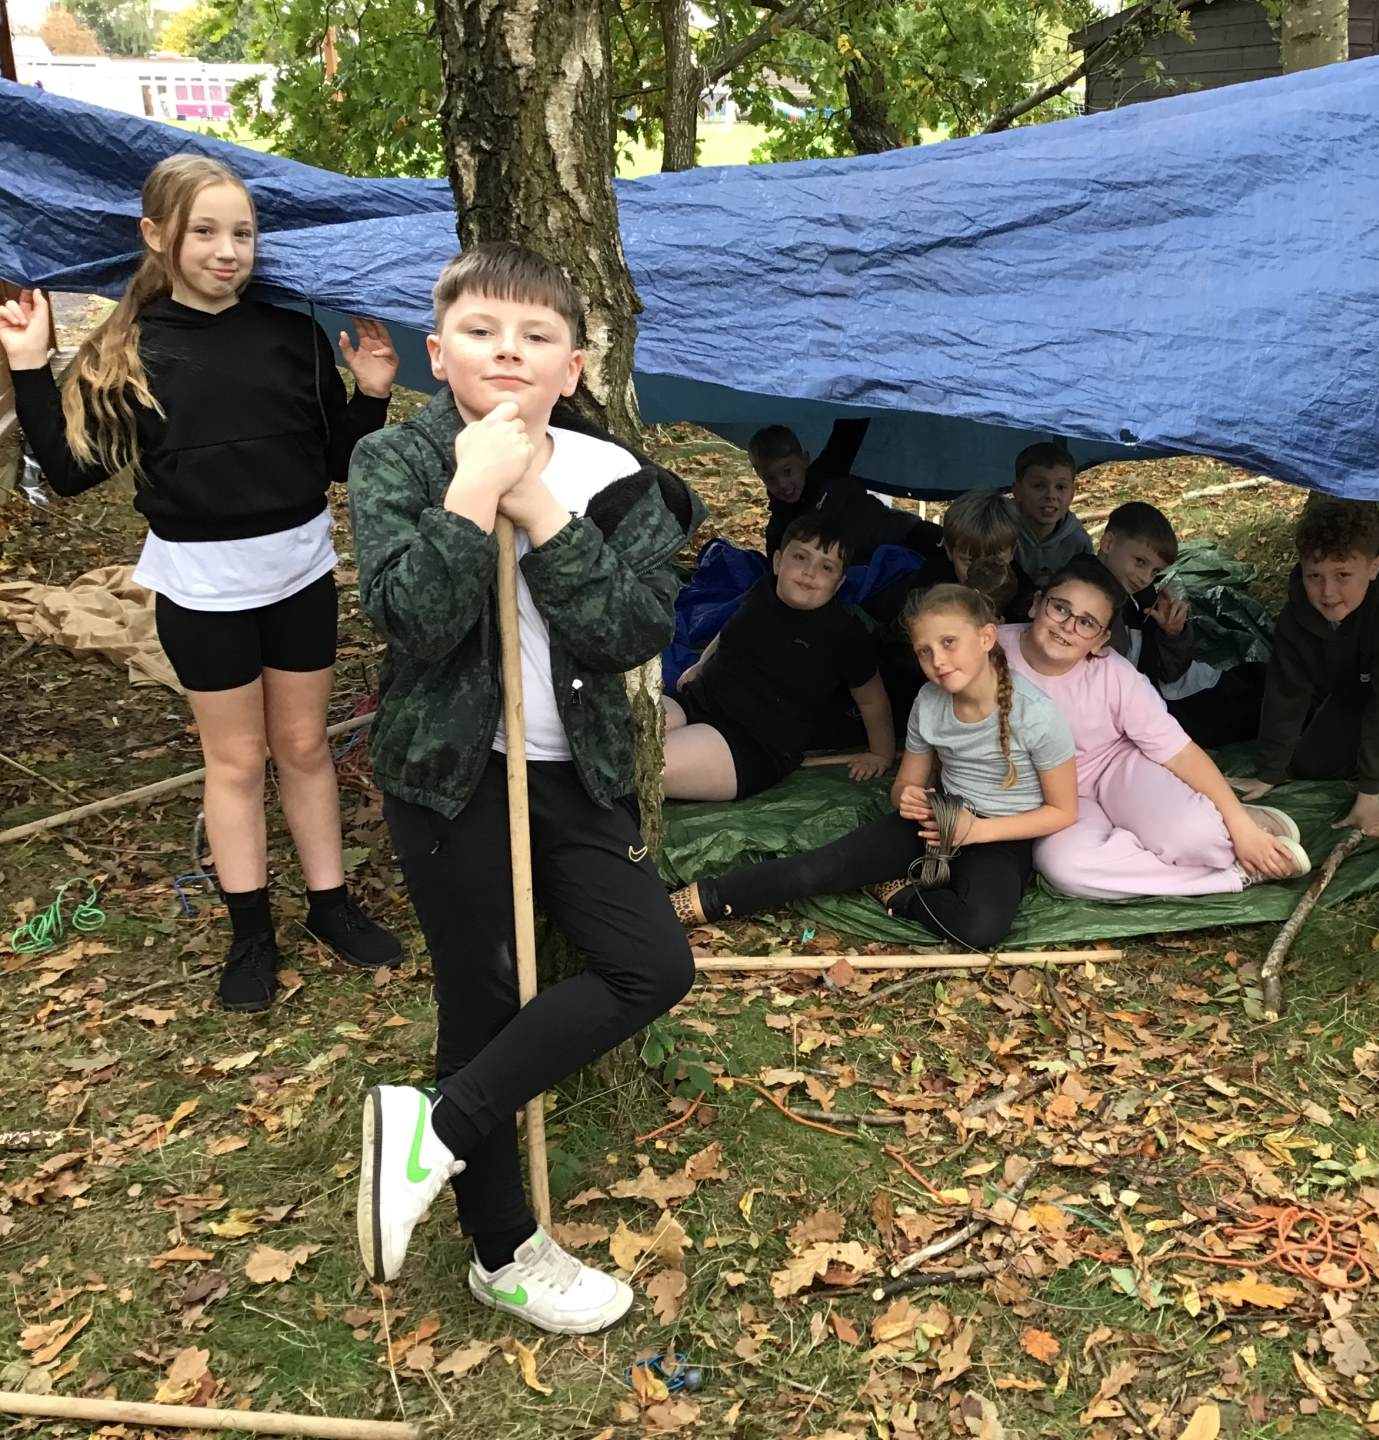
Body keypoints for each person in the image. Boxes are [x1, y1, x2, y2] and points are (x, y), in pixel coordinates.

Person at [348, 242, 699, 1334]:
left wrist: (538, 506)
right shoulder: (395, 462)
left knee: (651, 965)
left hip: (577, 773)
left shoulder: (619, 478)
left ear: (574, 366)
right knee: (483, 998)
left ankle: (434, 1131)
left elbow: (633, 628)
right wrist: (469, 493)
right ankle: (503, 1251)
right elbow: (413, 621)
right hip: (450, 779)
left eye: (537, 335)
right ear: (437, 352)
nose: (508, 350)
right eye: (482, 330)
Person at [0, 154, 401, 1012]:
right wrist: (31, 368)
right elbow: (67, 474)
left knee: (304, 747)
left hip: (300, 573)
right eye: (205, 232)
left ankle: (330, 904)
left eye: (243, 233)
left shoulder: (291, 336)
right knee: (236, 760)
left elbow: (336, 462)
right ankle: (251, 933)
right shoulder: (130, 353)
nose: (228, 251)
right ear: (156, 235)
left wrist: (368, 396)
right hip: (202, 589)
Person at [671, 584, 1076, 950]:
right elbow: (905, 786)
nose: (937, 660)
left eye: (949, 643)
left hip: (1000, 834)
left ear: (986, 637)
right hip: (938, 819)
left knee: (981, 928)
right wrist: (909, 798)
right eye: (924, 651)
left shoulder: (1036, 714)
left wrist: (979, 831)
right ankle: (697, 901)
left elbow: (1063, 810)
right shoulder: (928, 702)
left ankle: (901, 894)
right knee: (818, 869)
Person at [1003, 556, 1309, 899]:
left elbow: (1181, 754)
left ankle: (1234, 824)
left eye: (1087, 622)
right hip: (1055, 798)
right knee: (1066, 867)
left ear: (1101, 640)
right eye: (1060, 608)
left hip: (1115, 768)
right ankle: (1232, 873)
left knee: (1198, 838)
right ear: (1036, 604)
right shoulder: (989, 652)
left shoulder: (1115, 675)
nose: (1068, 626)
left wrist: (1239, 825)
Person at [665, 512, 894, 800]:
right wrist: (700, 664)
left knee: (640, 764)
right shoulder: (763, 590)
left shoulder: (844, 633)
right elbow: (730, 629)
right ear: (777, 562)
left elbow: (872, 699)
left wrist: (881, 753)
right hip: (697, 701)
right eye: (800, 557)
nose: (810, 572)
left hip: (749, 744)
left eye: (826, 567)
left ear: (838, 583)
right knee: (620, 734)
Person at [1257, 498, 1379, 837]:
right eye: (1314, 576)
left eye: (1343, 575)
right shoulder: (1298, 609)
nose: (1328, 592)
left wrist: (1369, 794)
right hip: (1356, 692)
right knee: (1309, 765)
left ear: (1374, 567)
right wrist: (1269, 771)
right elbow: (1286, 689)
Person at [1098, 501, 1265, 746]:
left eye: (1155, 572)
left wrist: (1172, 633)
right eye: (1140, 561)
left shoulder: (1135, 594)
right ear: (1108, 543)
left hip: (1179, 684)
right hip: (1166, 708)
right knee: (1261, 712)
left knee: (1261, 680)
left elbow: (1169, 667)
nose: (1144, 578)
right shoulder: (1094, 604)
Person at [864, 489, 1019, 730]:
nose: (981, 572)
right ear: (949, 550)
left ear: (1012, 551)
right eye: (969, 561)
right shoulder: (930, 588)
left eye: (994, 560)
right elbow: (905, 651)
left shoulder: (1020, 590)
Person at [751, 419, 943, 566]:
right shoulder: (779, 529)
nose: (783, 484)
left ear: (804, 460)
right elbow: (779, 574)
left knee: (949, 544)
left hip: (900, 533)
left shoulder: (829, 470)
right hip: (866, 571)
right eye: (771, 479)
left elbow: (852, 423)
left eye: (787, 471)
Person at [1005, 442, 1091, 618]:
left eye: (1060, 487)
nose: (1051, 495)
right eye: (1039, 486)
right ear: (1017, 491)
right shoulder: (1000, 528)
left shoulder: (1078, 542)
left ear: (1072, 493)